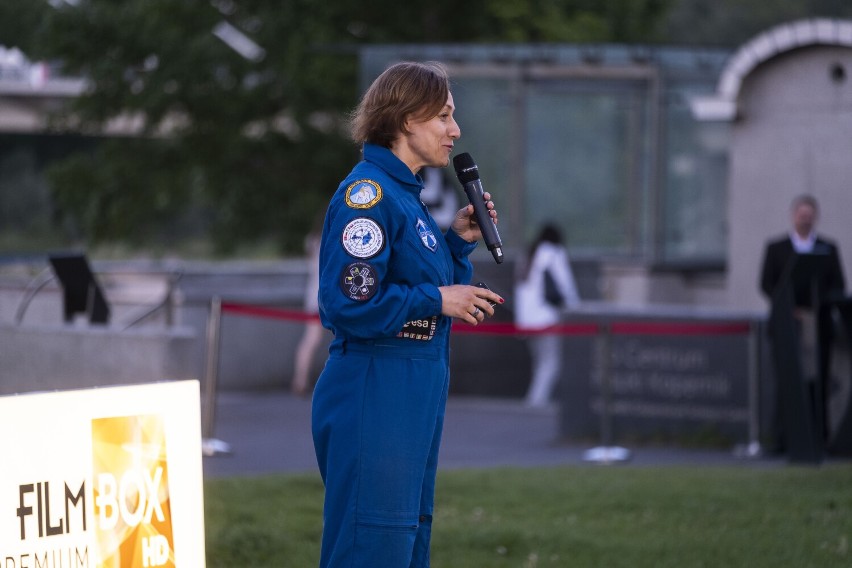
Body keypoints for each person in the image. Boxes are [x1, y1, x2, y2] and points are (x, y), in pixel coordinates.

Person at [311, 61, 504, 568]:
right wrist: (440, 299)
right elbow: (349, 305)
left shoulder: (406, 197)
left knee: (403, 541)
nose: (455, 130)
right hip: (376, 386)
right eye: (442, 116)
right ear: (404, 119)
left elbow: (404, 279)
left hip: (411, 389)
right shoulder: (368, 196)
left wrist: (455, 245)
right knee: (371, 546)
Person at [759, 194, 846, 444]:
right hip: (788, 326)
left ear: (815, 218)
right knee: (787, 383)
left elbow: (838, 283)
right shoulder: (777, 249)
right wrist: (788, 308)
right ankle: (783, 437)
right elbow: (767, 283)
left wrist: (819, 305)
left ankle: (819, 436)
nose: (805, 220)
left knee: (817, 382)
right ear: (793, 216)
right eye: (801, 215)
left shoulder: (828, 249)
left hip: (818, 325)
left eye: (809, 216)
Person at [514, 223, 581, 408]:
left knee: (541, 364)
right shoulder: (553, 253)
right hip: (546, 319)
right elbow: (565, 287)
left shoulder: (528, 254)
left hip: (526, 322)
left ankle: (536, 402)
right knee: (551, 365)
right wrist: (577, 311)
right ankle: (535, 404)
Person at [290, 218, 325, 397]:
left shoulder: (312, 240)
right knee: (312, 339)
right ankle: (300, 381)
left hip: (313, 294)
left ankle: (300, 380)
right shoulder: (329, 238)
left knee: (310, 339)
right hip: (324, 295)